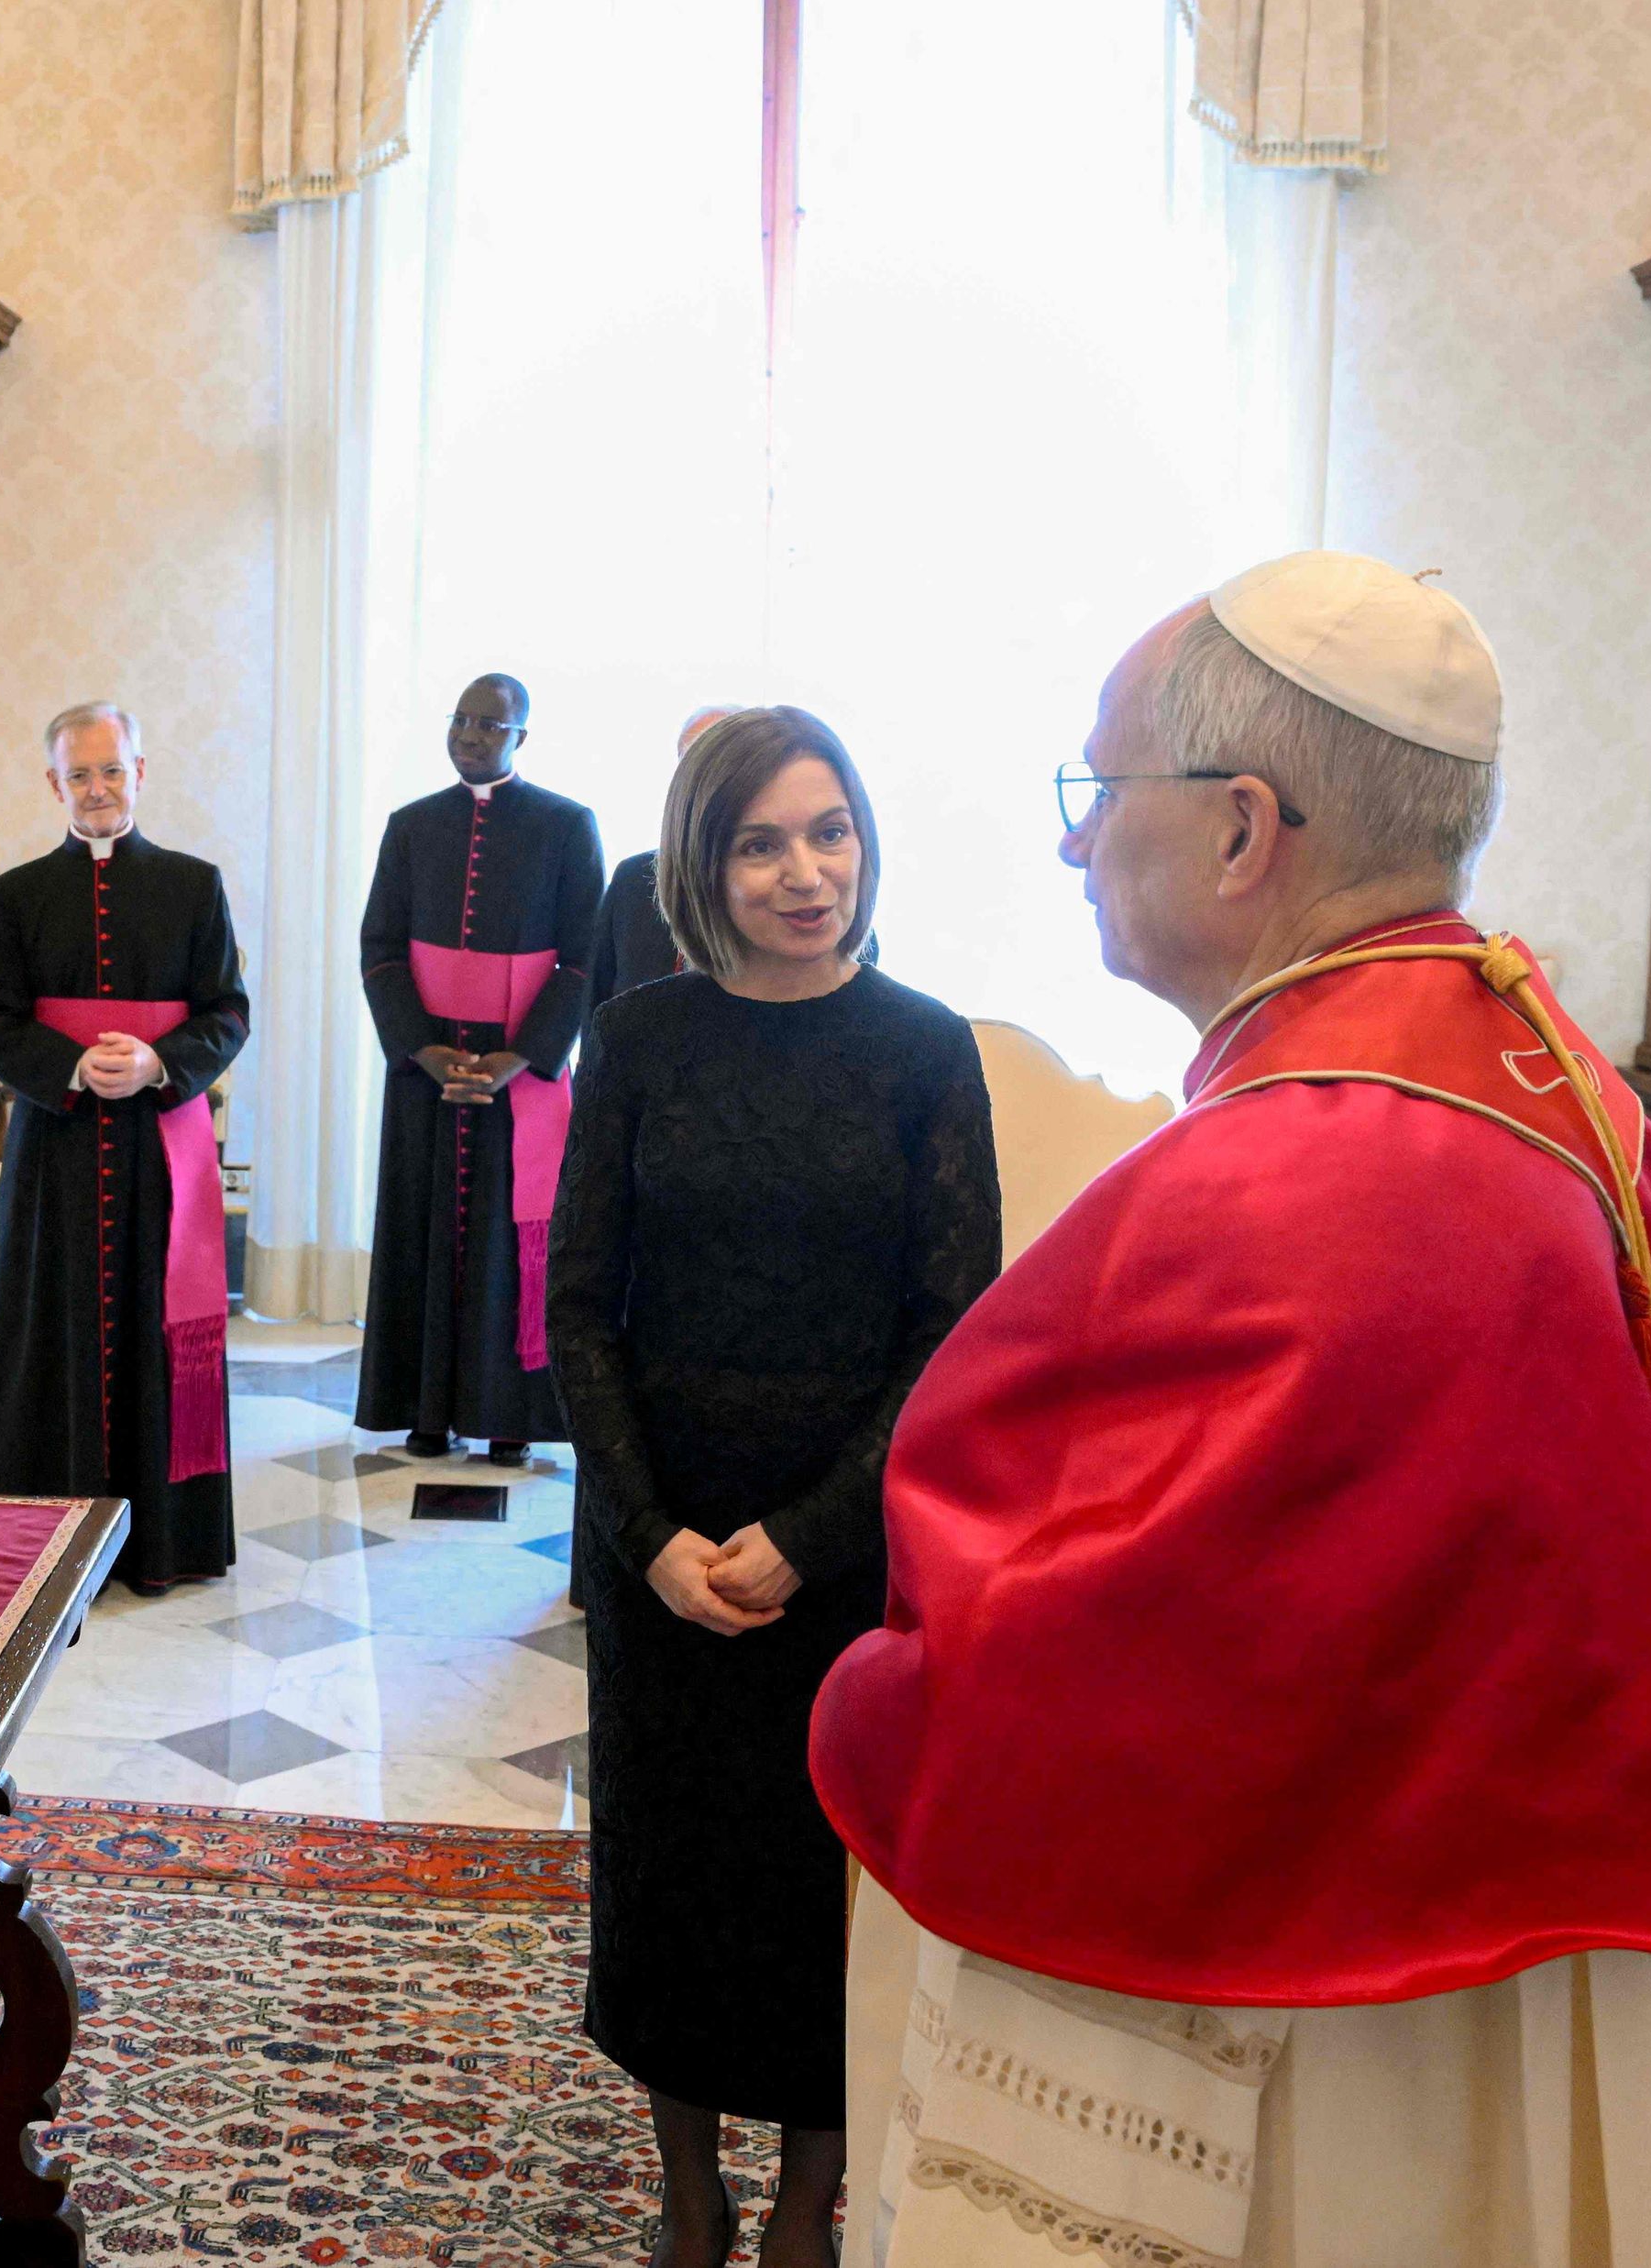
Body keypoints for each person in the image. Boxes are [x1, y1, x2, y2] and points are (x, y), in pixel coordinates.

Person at [812, 554, 1651, 2266]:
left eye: (1096, 787)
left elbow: (1072, 1634)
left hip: (1341, 2022)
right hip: (1525, 1922)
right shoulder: (1530, 1064)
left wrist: (881, 1680)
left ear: (1241, 830)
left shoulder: (1293, 1174)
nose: (1073, 841)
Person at [546, 709, 996, 2268]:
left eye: (830, 831)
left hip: (847, 1545)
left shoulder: (927, 1048)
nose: (806, 872)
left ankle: (809, 2202)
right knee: (669, 1880)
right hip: (662, 1537)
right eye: (761, 842)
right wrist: (649, 1536)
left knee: (821, 1892)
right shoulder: (639, 1038)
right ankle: (691, 2192)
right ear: (702, 863)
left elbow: (952, 1331)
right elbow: (579, 1308)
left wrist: (807, 1540)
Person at [0, 703, 250, 1591]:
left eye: (112, 770)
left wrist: (159, 1062)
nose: (98, 789)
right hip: (54, 1156)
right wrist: (73, 1066)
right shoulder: (16, 895)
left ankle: (164, 1544)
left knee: (157, 1338)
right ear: (54, 784)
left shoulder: (194, 886)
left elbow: (227, 1013)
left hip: (160, 1153)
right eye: (79, 775)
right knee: (48, 1337)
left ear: (140, 772)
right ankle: (43, 1540)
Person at [358, 674, 604, 1465]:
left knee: (508, 1244)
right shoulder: (410, 826)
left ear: (519, 736)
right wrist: (424, 1050)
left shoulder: (567, 826)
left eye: (488, 725)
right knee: (421, 1230)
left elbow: (584, 958)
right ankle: (425, 1410)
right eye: (460, 720)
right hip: (423, 1069)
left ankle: (508, 1418)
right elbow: (380, 949)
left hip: (520, 1074)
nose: (469, 735)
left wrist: (520, 1056)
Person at [590, 703, 743, 1001]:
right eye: (690, 762)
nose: (702, 778)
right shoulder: (633, 879)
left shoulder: (787, 880)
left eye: (719, 762)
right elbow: (596, 1001)